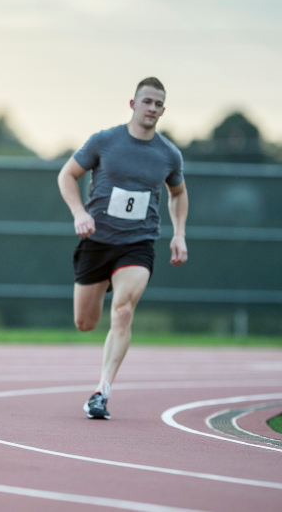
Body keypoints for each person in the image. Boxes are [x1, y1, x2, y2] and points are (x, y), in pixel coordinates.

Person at [57, 77, 188, 420]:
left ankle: (102, 392)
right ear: (133, 104)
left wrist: (179, 234)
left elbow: (178, 194)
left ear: (163, 110)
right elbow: (66, 175)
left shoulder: (168, 154)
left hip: (138, 244)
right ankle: (106, 283)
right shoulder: (104, 141)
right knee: (85, 323)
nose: (152, 109)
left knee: (124, 311)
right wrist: (79, 213)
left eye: (158, 104)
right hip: (97, 241)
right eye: (147, 102)